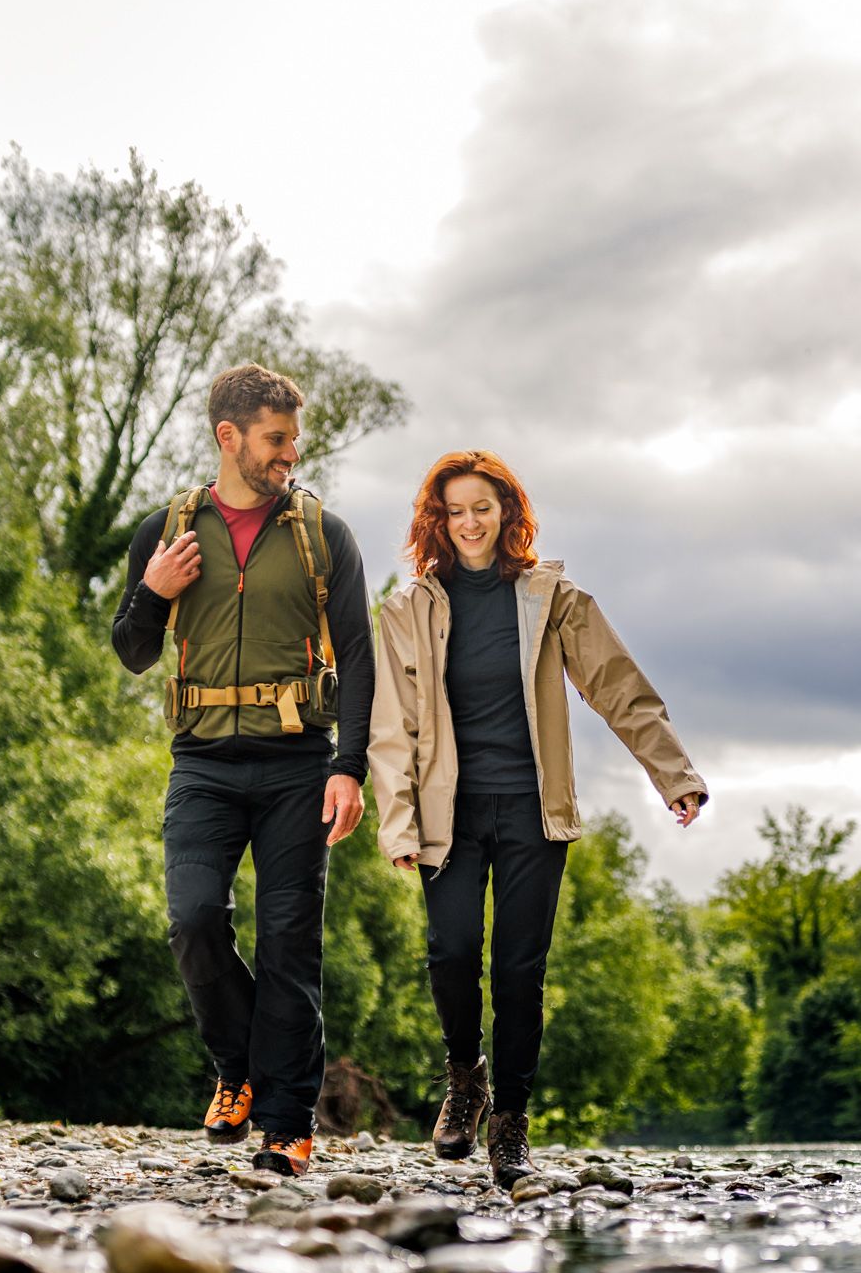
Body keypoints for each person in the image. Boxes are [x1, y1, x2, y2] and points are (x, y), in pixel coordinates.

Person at [369, 451, 706, 1188]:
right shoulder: (408, 611)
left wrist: (672, 775)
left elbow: (618, 686)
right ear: (436, 520)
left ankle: (511, 1124)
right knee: (450, 951)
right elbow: (391, 729)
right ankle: (467, 1075)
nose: (468, 523)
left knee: (520, 972)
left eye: (481, 508)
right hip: (446, 812)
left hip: (531, 809)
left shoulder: (552, 599)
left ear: (507, 512)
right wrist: (397, 825)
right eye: (453, 511)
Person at [111, 364, 374, 1176]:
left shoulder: (323, 535)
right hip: (203, 764)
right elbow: (131, 650)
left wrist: (350, 765)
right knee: (193, 921)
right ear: (228, 437)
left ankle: (288, 1124)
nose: (290, 453)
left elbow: (359, 654)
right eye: (276, 438)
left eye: (294, 439)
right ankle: (239, 1070)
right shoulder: (166, 529)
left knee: (291, 941)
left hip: (299, 763)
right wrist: (153, 592)